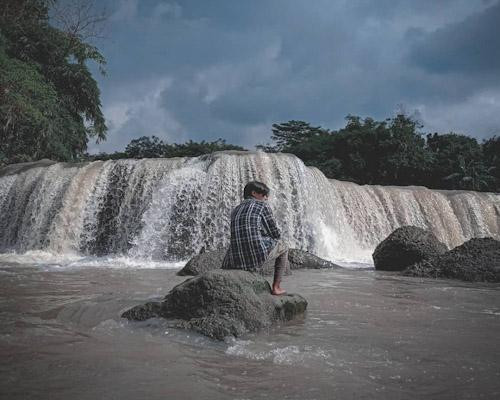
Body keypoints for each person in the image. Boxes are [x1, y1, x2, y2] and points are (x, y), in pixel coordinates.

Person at [222, 181, 288, 295]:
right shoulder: (262, 205)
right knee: (284, 247)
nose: (266, 198)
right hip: (254, 256)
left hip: (233, 260)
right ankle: (276, 287)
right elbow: (275, 233)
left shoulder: (236, 209)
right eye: (264, 195)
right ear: (254, 193)